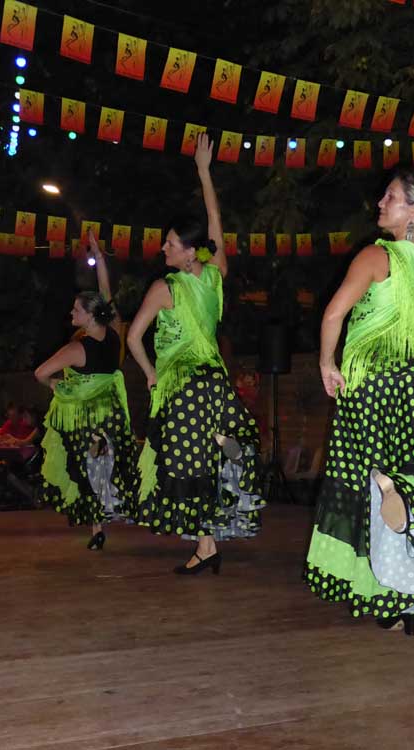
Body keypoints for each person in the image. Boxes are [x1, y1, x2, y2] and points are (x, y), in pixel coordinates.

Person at [305, 78, 414, 636]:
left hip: (371, 381)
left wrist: (328, 363)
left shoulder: (377, 256)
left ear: (412, 213)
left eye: (392, 198)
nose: (380, 202)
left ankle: (387, 536)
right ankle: (407, 592)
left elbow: (332, 314)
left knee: (371, 479)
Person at [127, 133, 264, 575]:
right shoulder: (214, 275)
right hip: (214, 382)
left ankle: (208, 543)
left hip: (184, 385)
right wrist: (205, 173)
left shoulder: (164, 288)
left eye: (169, 243)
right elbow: (215, 224)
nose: (162, 248)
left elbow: (132, 338)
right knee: (213, 453)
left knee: (186, 464)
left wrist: (150, 374)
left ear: (188, 252)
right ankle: (208, 543)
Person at [34, 274, 138, 549]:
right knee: (105, 468)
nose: (71, 312)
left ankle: (97, 525)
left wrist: (56, 383)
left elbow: (40, 373)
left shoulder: (76, 348)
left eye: (77, 309)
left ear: (91, 315)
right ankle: (99, 524)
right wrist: (101, 262)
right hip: (112, 415)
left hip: (88, 420)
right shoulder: (114, 333)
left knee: (88, 470)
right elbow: (107, 295)